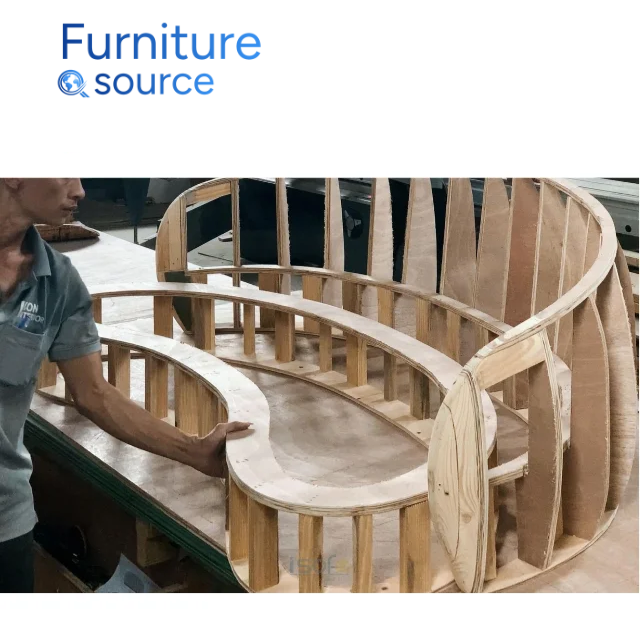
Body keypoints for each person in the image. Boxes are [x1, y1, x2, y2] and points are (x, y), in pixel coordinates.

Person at [0, 178, 251, 593]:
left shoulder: (58, 283)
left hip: (6, 518)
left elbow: (94, 394)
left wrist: (194, 450)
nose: (80, 191)